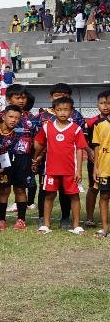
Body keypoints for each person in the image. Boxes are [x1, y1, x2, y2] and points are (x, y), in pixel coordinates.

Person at [33, 96, 88, 235]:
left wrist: (79, 171)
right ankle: (46, 225)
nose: (62, 112)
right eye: (59, 110)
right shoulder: (47, 127)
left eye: (66, 110)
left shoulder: (76, 129)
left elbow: (80, 149)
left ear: (71, 111)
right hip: (51, 170)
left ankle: (76, 225)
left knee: (74, 197)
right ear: (53, 111)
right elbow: (38, 143)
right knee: (49, 196)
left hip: (70, 171)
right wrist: (36, 156)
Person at [0, 105, 30, 231]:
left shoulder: (21, 132)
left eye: (17, 118)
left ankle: (21, 219)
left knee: (20, 190)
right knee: (4, 191)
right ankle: (1, 219)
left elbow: (21, 154)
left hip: (17, 165)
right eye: (11, 117)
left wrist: (6, 169)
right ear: (3, 116)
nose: (13, 120)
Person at [84, 91, 110, 226]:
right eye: (102, 103)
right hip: (95, 161)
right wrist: (89, 152)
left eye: (108, 103)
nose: (105, 106)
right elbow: (83, 140)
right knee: (93, 188)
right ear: (97, 105)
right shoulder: (91, 122)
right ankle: (89, 217)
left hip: (108, 159)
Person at [90, 111, 110, 238]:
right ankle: (105, 228)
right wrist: (95, 168)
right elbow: (96, 147)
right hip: (104, 168)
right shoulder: (99, 124)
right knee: (104, 196)